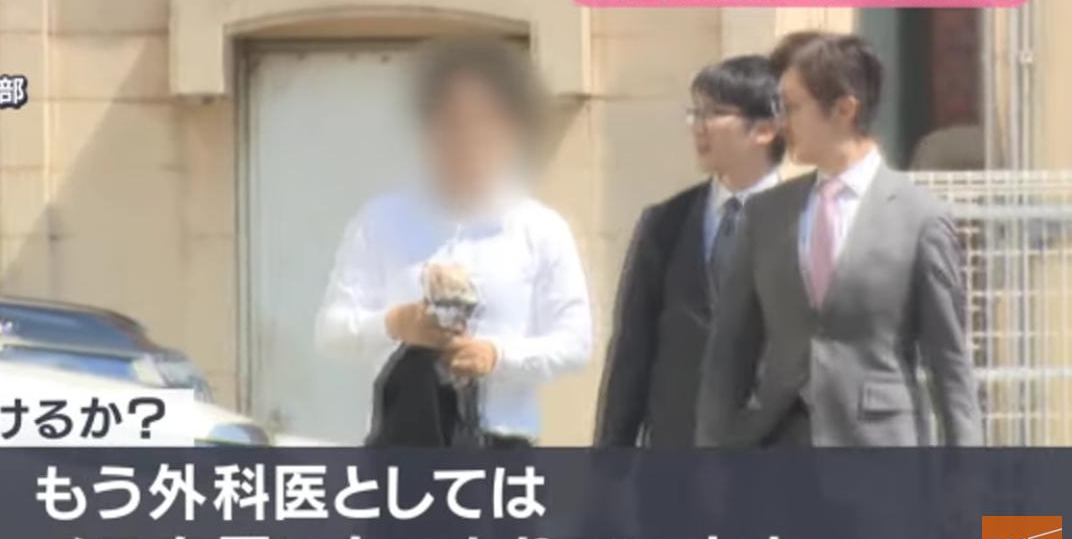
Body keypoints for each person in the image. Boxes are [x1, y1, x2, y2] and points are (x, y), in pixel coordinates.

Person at [695, 31, 983, 447]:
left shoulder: (920, 218)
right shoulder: (766, 214)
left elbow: (950, 364)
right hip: (775, 449)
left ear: (845, 109)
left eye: (791, 107)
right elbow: (728, 353)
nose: (780, 123)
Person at [314, 36, 592, 448]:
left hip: (499, 448)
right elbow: (332, 330)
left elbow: (575, 342)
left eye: (484, 121)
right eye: (452, 121)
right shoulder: (382, 221)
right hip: (403, 443)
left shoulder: (539, 229)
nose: (467, 138)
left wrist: (496, 356)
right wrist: (395, 324)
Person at [595, 55, 785, 448]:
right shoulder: (666, 222)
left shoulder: (808, 223)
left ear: (765, 129)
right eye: (695, 113)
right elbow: (632, 350)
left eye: (714, 113)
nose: (699, 126)